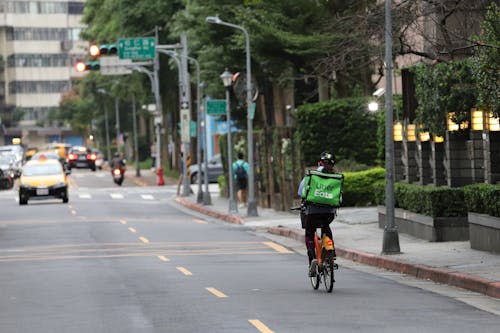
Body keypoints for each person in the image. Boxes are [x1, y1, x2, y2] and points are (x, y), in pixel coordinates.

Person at [297, 151, 338, 277]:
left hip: (312, 212)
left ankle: (312, 259)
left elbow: (301, 192)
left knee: (309, 232)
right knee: (326, 227)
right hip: (329, 212)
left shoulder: (311, 176)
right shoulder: (336, 177)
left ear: (319, 163)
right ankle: (331, 252)